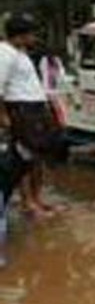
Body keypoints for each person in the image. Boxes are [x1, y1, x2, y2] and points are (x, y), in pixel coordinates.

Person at [0, 13, 62, 217]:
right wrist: (4, 117)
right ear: (20, 35)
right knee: (24, 156)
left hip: (35, 109)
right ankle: (28, 203)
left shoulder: (20, 53)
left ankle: (36, 199)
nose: (34, 37)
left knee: (37, 156)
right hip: (22, 109)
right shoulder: (5, 53)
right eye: (31, 33)